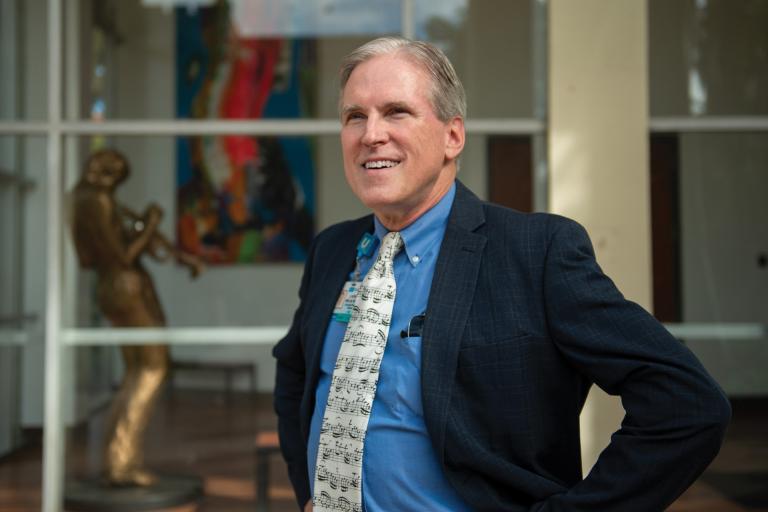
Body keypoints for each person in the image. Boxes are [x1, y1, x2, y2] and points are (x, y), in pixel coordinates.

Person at [273, 37, 730, 512]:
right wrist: (311, 493)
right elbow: (296, 372)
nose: (371, 135)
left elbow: (689, 406)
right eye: (354, 117)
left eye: (396, 112)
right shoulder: (333, 250)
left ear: (453, 136)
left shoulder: (535, 253)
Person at [72, 149, 203, 486]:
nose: (112, 180)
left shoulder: (86, 199)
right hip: (125, 285)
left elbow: (137, 237)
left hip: (112, 287)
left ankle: (117, 457)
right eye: (112, 172)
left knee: (137, 370)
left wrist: (173, 251)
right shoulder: (97, 201)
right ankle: (121, 463)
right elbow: (125, 255)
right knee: (153, 367)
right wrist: (153, 224)